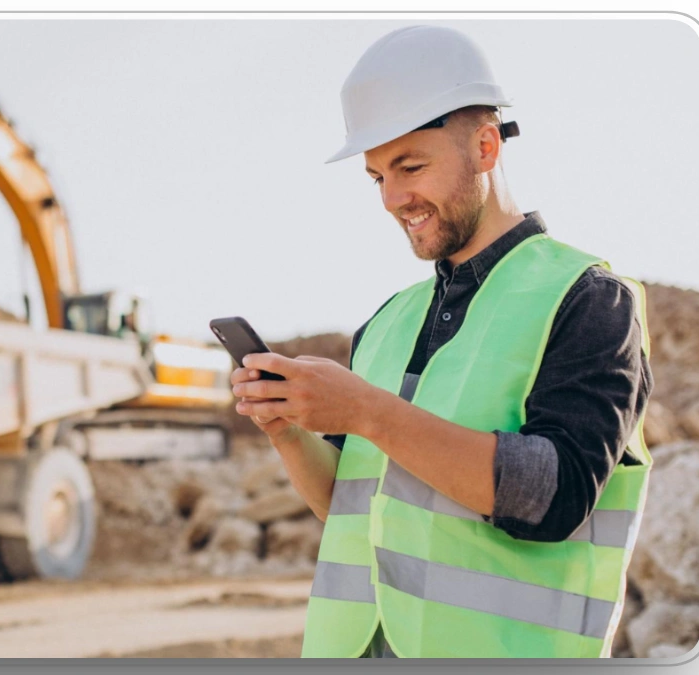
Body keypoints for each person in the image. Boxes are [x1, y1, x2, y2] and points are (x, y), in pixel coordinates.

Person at [231, 25, 653, 659]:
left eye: (411, 166)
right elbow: (352, 508)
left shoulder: (587, 298)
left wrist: (369, 412)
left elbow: (556, 495)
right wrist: (288, 428)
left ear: (486, 146)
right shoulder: (389, 321)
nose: (394, 199)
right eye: (377, 177)